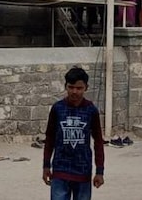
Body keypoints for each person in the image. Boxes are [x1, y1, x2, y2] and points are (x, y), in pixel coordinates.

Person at [42, 66, 105, 200]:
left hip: (83, 171)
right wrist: (46, 165)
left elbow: (98, 141)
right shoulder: (57, 109)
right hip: (60, 170)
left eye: (79, 88)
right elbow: (49, 138)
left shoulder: (91, 110)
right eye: (71, 87)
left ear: (86, 88)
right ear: (65, 86)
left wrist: (100, 171)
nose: (74, 92)